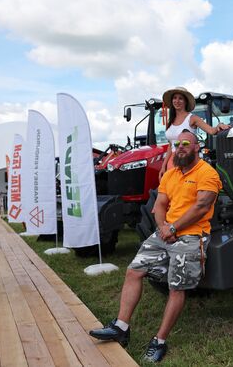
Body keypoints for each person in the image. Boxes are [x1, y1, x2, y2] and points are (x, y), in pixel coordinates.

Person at [89, 130, 222, 363]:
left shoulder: (207, 173)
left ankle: (159, 341)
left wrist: (173, 229)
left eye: (185, 144)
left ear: (196, 147)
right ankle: (121, 327)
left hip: (191, 236)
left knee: (176, 287)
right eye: (176, 144)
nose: (180, 147)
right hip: (166, 232)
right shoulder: (170, 174)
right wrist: (162, 227)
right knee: (133, 271)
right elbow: (160, 204)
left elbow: (201, 206)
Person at [159, 87, 230, 179]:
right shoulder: (171, 121)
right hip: (172, 162)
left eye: (180, 98)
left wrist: (219, 126)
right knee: (172, 191)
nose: (177, 101)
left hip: (186, 159)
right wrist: (163, 166)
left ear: (185, 101)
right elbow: (170, 145)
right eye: (175, 98)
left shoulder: (192, 118)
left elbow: (211, 131)